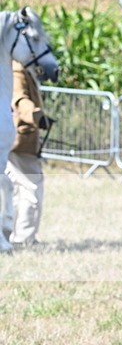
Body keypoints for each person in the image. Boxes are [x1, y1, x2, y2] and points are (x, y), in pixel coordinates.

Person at [6, 59, 51, 247]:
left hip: (17, 137)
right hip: (21, 138)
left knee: (16, 188)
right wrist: (36, 115)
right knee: (31, 187)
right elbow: (19, 99)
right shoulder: (17, 68)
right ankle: (24, 238)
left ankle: (16, 234)